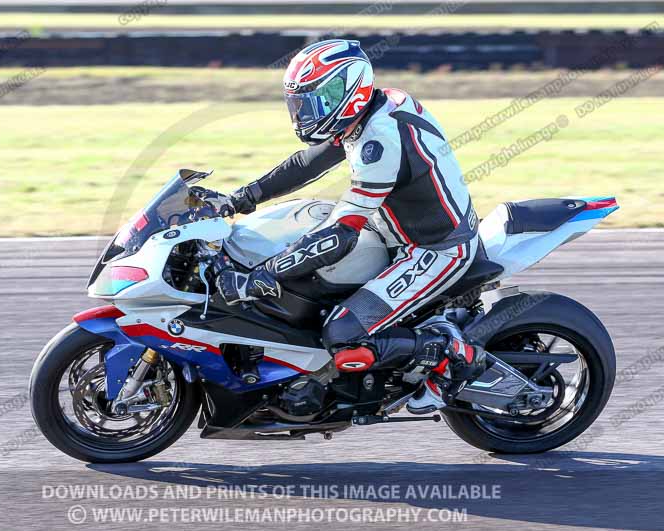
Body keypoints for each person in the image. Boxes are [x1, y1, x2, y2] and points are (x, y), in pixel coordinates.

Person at [191, 39, 486, 413]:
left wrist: (262, 276)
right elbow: (306, 164)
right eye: (299, 103)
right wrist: (238, 199)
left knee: (342, 332)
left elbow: (340, 235)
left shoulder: (380, 139)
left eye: (314, 101)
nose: (303, 113)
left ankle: (451, 355)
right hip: (390, 229)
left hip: (435, 249)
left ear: (348, 90)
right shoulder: (370, 110)